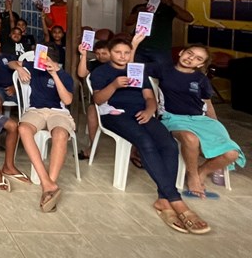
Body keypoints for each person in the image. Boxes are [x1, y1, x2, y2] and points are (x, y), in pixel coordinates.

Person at [90, 38, 210, 234]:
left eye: (126, 53)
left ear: (132, 54)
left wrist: (149, 111)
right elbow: (97, 100)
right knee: (145, 143)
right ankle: (175, 200)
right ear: (110, 53)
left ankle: (163, 199)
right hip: (114, 114)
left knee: (169, 145)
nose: (122, 56)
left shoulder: (137, 70)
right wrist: (113, 85)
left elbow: (149, 97)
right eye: (118, 52)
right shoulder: (101, 72)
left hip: (141, 113)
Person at [155, 44, 244, 199]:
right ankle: (193, 176)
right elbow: (132, 67)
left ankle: (202, 171)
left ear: (201, 64)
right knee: (190, 138)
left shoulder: (201, 79)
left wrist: (215, 123)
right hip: (172, 118)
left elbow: (207, 102)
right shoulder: (163, 69)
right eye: (189, 53)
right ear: (182, 53)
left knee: (232, 154)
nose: (191, 58)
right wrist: (135, 43)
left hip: (200, 120)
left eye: (198, 58)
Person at [10, 46, 75, 212]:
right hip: (36, 110)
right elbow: (11, 63)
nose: (40, 63)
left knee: (60, 134)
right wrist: (19, 68)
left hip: (58, 112)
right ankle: (47, 183)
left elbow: (67, 101)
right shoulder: (33, 66)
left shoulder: (65, 76)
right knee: (23, 129)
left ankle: (48, 187)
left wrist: (55, 74)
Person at [125, 0, 194, 67]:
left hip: (160, 48)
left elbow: (189, 18)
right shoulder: (139, 7)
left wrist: (172, 5)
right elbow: (128, 22)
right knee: (138, 72)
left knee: (164, 72)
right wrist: (137, 13)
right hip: (140, 47)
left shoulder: (167, 7)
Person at [76, 39, 111, 160]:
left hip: (118, 100)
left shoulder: (117, 64)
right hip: (99, 100)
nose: (100, 56)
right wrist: (83, 55)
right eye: (98, 54)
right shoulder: (94, 63)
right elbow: (81, 74)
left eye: (104, 53)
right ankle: (93, 145)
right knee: (91, 110)